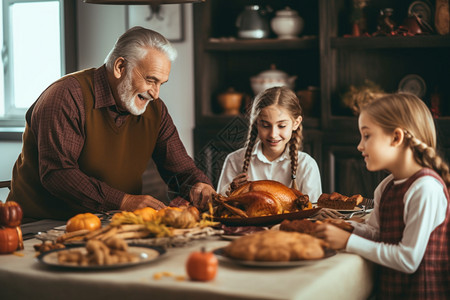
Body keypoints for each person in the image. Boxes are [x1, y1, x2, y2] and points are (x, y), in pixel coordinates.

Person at [7, 26, 215, 221]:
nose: (155, 93)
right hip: (40, 225)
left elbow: (180, 168)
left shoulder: (155, 109)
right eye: (151, 80)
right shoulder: (67, 96)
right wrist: (124, 201)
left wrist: (199, 184)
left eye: (161, 83)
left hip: (112, 223)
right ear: (120, 67)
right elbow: (58, 173)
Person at [315, 93, 450, 299]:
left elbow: (408, 259)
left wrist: (347, 241)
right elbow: (378, 234)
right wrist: (347, 226)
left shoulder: (425, 188)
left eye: (367, 135)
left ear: (396, 137)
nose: (360, 146)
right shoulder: (386, 186)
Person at [216, 86, 322, 203]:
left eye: (281, 126)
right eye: (266, 125)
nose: (273, 134)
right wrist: (230, 190)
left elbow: (313, 209)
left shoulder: (307, 165)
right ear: (256, 123)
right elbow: (219, 205)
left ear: (296, 123)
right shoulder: (234, 160)